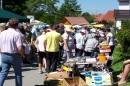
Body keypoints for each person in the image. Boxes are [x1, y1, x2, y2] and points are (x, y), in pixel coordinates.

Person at [0, 18, 25, 86]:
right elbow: (19, 48)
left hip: (4, 54)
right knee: (18, 74)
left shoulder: (2, 33)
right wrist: (22, 55)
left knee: (3, 73)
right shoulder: (17, 34)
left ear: (9, 24)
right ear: (16, 26)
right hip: (15, 55)